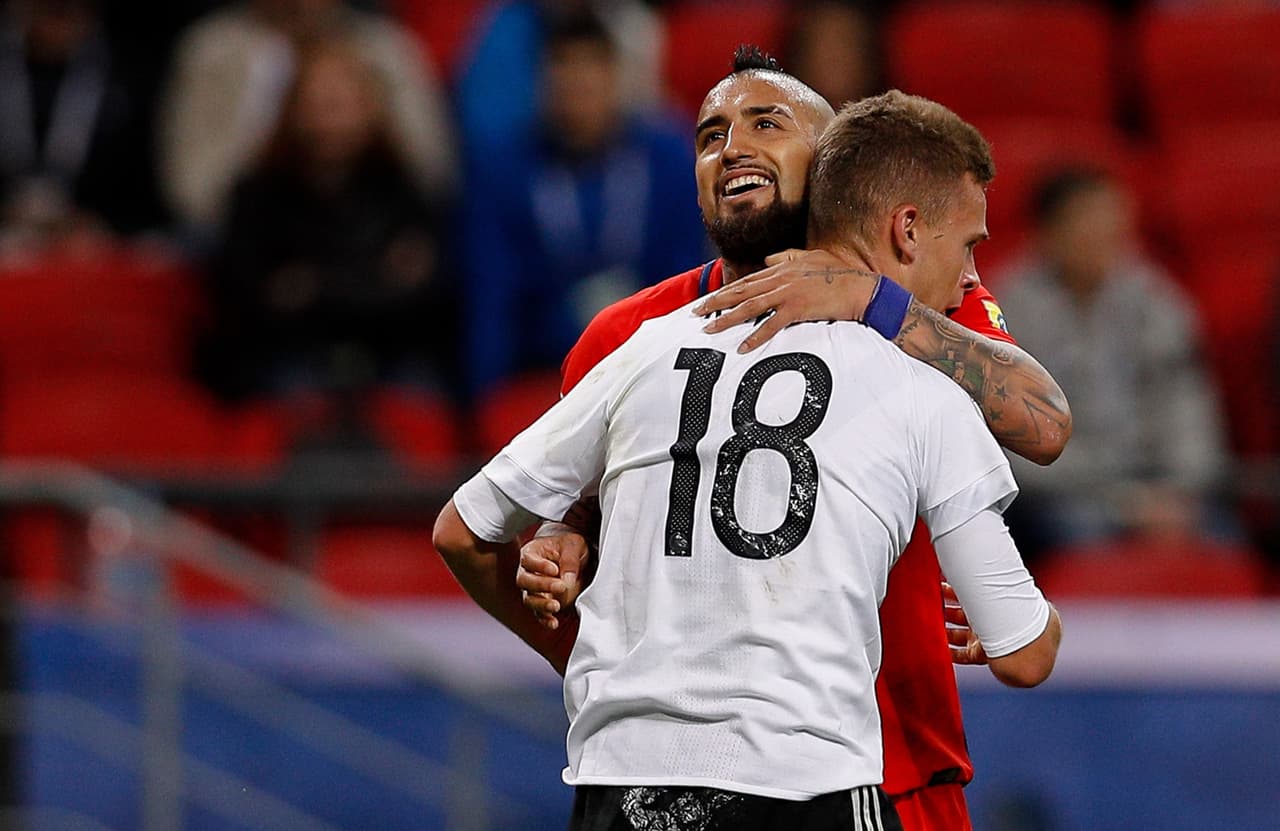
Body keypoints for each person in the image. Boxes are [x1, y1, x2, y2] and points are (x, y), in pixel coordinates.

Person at [434, 90, 1063, 831]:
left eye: (767, 124)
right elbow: (582, 513)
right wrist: (579, 602)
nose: (731, 146)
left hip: (897, 752)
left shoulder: (915, 293)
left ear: (830, 165)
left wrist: (870, 299)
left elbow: (1045, 422)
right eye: (709, 135)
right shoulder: (630, 330)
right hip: (799, 773)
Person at [459, 11, 705, 397]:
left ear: (615, 79)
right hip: (545, 371)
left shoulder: (668, 162)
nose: (577, 95)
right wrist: (484, 399)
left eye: (589, 80)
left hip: (654, 367)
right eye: (564, 78)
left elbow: (689, 278)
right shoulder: (505, 171)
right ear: (542, 82)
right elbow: (492, 297)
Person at [199, 36, 456, 403]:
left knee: (422, 403)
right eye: (317, 102)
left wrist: (311, 285)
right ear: (291, 109)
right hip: (286, 361)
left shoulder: (405, 190)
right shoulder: (257, 195)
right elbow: (245, 304)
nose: (330, 117)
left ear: (372, 107)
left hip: (389, 358)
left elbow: (427, 300)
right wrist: (370, 280)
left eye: (342, 102)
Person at [995, 166, 1230, 559]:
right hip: (1065, 494)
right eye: (1088, 223)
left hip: (1163, 491)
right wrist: (1122, 501)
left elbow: (1188, 406)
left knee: (1225, 544)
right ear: (1048, 232)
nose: (1105, 237)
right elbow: (1019, 443)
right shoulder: (1007, 311)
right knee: (1077, 534)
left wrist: (1179, 490)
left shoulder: (1154, 299)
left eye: (1113, 224)